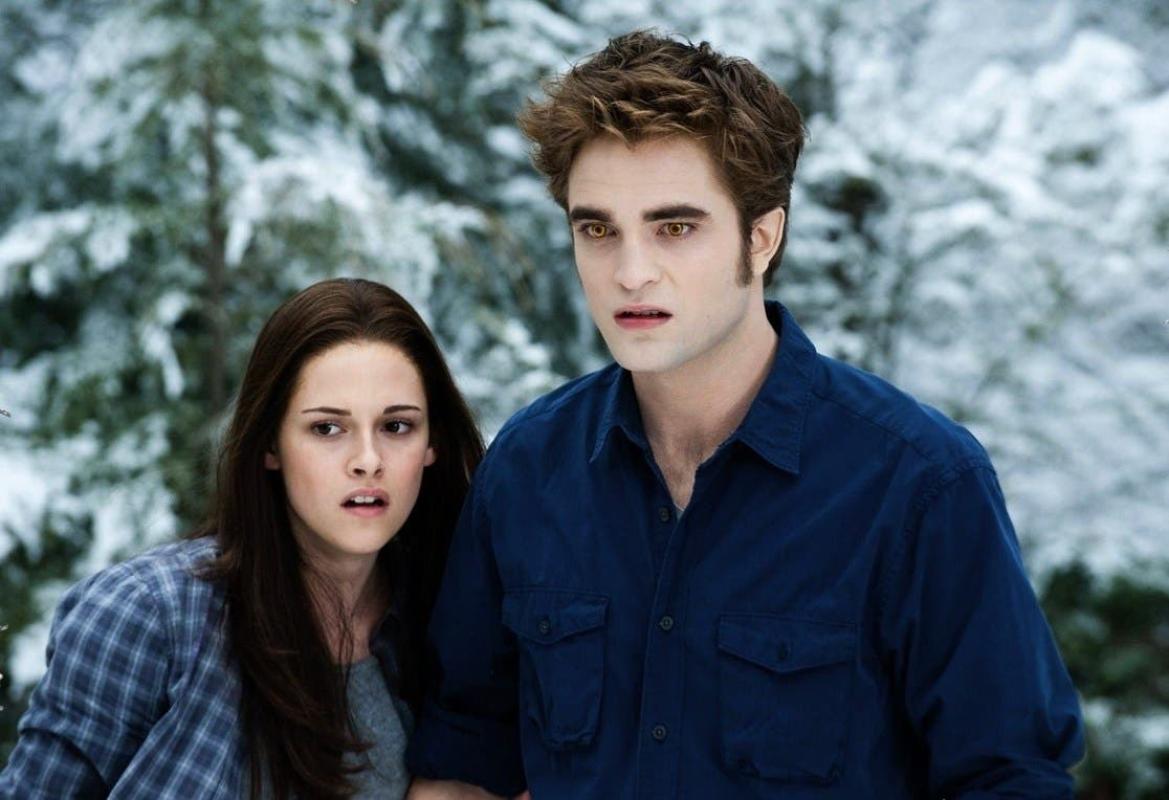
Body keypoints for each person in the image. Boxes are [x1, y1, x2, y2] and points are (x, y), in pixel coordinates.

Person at [405, 30, 1085, 799]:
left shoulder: (920, 485)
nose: (629, 272)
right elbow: (464, 759)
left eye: (674, 228)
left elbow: (1009, 776)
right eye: (597, 229)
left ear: (761, 238)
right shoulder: (528, 468)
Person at [1, 278, 485, 799]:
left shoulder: (456, 625)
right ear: (271, 444)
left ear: (432, 443)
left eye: (396, 426)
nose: (368, 460)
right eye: (327, 428)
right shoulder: (147, 615)